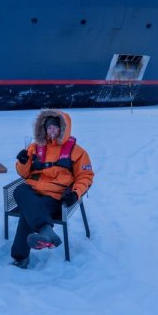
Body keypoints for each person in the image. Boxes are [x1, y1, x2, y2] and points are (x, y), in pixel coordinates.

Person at [11, 109, 94, 269]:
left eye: (56, 127)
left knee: (29, 213)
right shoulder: (35, 147)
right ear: (44, 129)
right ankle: (45, 230)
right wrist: (23, 161)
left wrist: (75, 194)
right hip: (32, 192)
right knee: (19, 190)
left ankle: (21, 258)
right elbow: (24, 173)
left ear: (63, 128)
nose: (52, 131)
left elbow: (86, 176)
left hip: (54, 197)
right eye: (49, 128)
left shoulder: (76, 151)